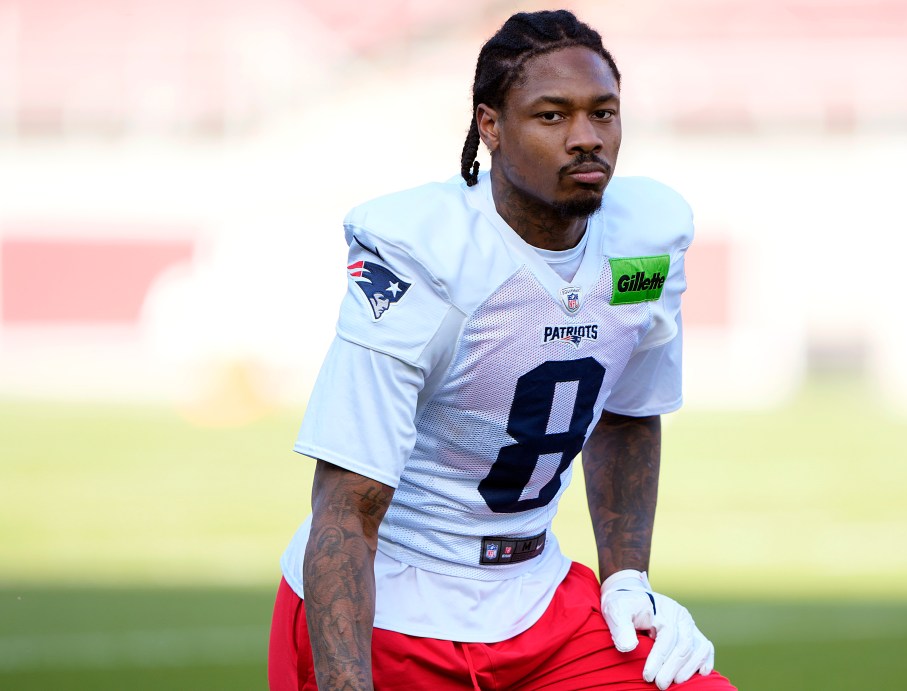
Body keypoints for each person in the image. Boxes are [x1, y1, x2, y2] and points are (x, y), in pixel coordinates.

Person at [268, 9, 736, 691]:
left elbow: (629, 412)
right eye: (552, 116)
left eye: (603, 113)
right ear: (490, 125)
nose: (586, 137)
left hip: (539, 599)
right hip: (390, 606)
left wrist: (627, 577)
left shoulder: (645, 240)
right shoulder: (424, 253)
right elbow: (345, 506)